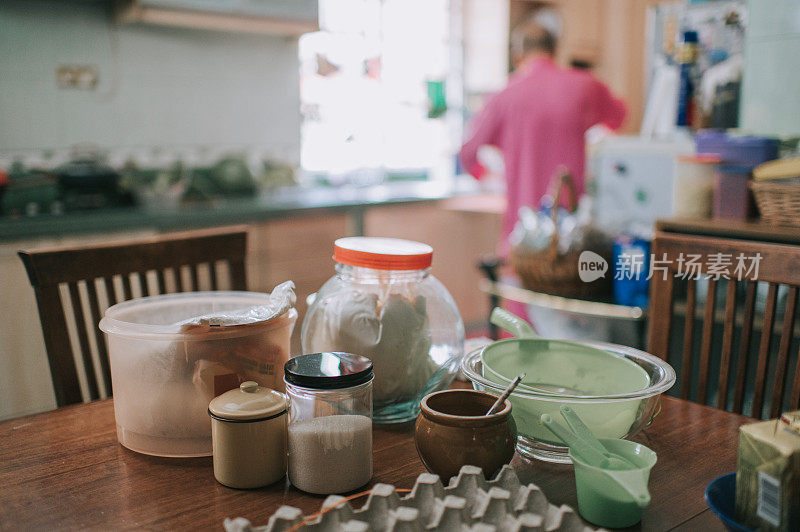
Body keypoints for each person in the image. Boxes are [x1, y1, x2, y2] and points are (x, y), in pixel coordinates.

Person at [460, 20, 627, 256]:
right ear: (555, 51)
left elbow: (467, 154)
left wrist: (491, 177)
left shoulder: (502, 96)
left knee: (519, 289)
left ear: (517, 55)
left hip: (523, 236)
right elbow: (619, 117)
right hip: (574, 233)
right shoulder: (585, 85)